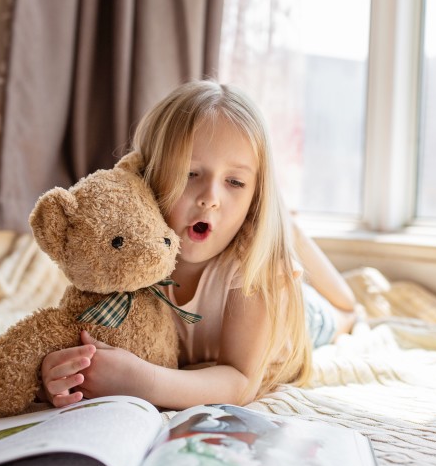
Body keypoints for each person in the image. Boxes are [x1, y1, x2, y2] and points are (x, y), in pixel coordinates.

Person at [38, 80, 357, 410]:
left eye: (235, 182)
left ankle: (287, 230)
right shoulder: (128, 254)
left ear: (254, 194)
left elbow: (240, 381)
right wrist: (60, 375)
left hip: (298, 319)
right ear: (149, 173)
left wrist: (140, 380)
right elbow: (75, 335)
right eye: (191, 173)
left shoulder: (254, 268)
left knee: (344, 310)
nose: (210, 199)